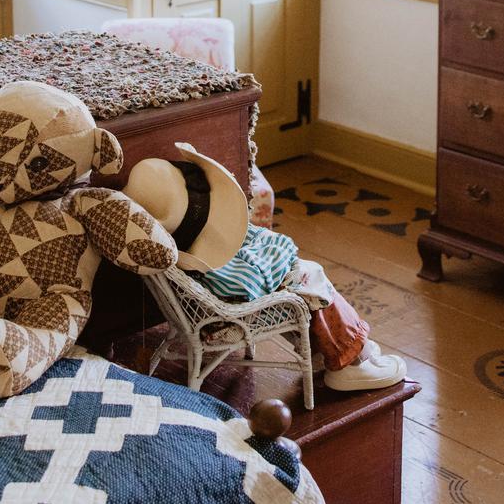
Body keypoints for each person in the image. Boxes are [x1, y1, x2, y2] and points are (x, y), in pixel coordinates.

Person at [124, 145, 407, 392]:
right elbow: (252, 284)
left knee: (305, 275)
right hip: (235, 313)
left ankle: (338, 347)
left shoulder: (173, 249)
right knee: (311, 280)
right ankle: (350, 359)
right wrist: (281, 263)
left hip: (208, 307)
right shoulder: (216, 269)